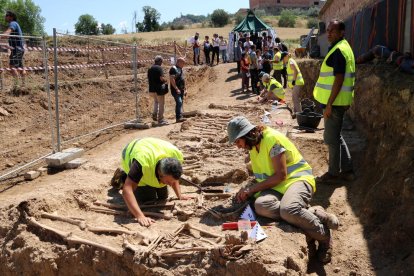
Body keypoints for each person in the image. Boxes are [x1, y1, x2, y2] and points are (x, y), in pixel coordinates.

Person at [227, 116, 339, 263]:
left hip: (297, 180)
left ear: (246, 135)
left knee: (288, 210)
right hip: (278, 186)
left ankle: (324, 236)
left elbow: (281, 175)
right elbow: (264, 176)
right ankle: (312, 213)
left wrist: (252, 189)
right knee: (261, 206)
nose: (238, 146)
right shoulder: (253, 146)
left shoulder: (272, 140)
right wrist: (248, 190)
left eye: (238, 141)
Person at [110, 137, 192, 226]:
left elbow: (174, 177)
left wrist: (179, 195)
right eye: (168, 182)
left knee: (163, 197)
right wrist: (140, 216)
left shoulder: (176, 156)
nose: (170, 184)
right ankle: (124, 176)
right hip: (131, 151)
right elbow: (127, 190)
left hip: (150, 149)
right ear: (160, 174)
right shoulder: (142, 162)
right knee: (147, 198)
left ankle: (136, 177)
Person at [313, 19, 356, 183]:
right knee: (336, 136)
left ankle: (333, 173)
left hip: (335, 103)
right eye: (328, 30)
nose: (329, 33)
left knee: (331, 139)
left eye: (332, 30)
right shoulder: (345, 47)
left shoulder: (339, 51)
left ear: (341, 32)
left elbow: (339, 78)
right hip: (340, 101)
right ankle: (347, 170)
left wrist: (329, 104)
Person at [2, 11, 26, 87]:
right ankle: (24, 85)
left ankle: (16, 86)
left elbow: (6, 34)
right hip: (19, 49)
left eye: (7, 16)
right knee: (21, 67)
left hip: (17, 49)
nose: (5, 17)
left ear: (11, 17)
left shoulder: (13, 23)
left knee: (12, 66)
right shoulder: (16, 24)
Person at [281, 51, 304, 117]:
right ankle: (296, 113)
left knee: (295, 98)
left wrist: (293, 81)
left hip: (297, 82)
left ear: (286, 57)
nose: (282, 60)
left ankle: (300, 114)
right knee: (294, 98)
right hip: (297, 82)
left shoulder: (290, 61)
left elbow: (295, 71)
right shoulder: (290, 61)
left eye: (283, 59)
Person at [147, 55, 169, 125]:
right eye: (161, 61)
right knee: (161, 104)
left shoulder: (150, 68)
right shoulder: (159, 68)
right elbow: (161, 78)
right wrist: (166, 81)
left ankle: (154, 115)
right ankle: (161, 120)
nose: (162, 63)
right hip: (159, 90)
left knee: (156, 102)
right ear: (160, 61)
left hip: (151, 89)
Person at [169, 57, 187, 123]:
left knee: (181, 102)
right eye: (183, 63)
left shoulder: (180, 69)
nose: (184, 64)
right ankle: (178, 117)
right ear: (179, 62)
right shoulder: (173, 69)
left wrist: (185, 89)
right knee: (179, 102)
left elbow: (183, 79)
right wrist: (176, 88)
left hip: (181, 89)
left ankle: (181, 116)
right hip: (176, 90)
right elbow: (172, 79)